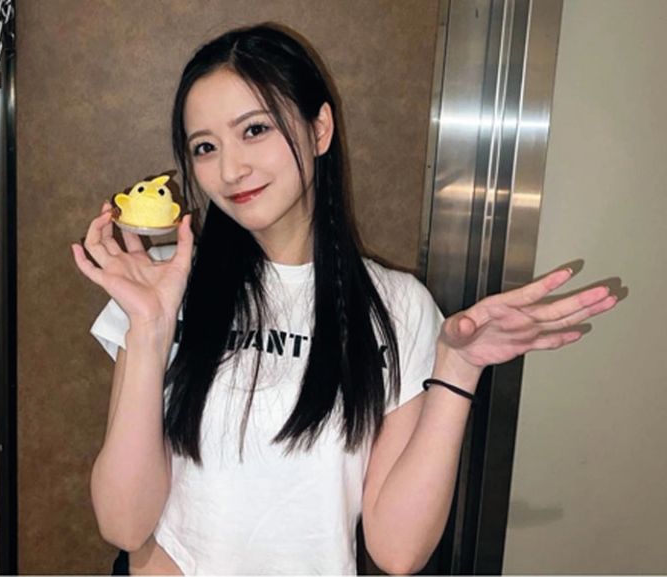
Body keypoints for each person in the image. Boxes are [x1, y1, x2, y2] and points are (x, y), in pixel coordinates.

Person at [71, 24, 618, 575]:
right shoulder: (161, 285)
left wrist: (459, 368)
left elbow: (398, 551)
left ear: (320, 129)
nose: (231, 170)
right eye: (205, 147)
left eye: (255, 129)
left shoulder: (398, 306)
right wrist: (149, 328)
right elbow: (123, 524)